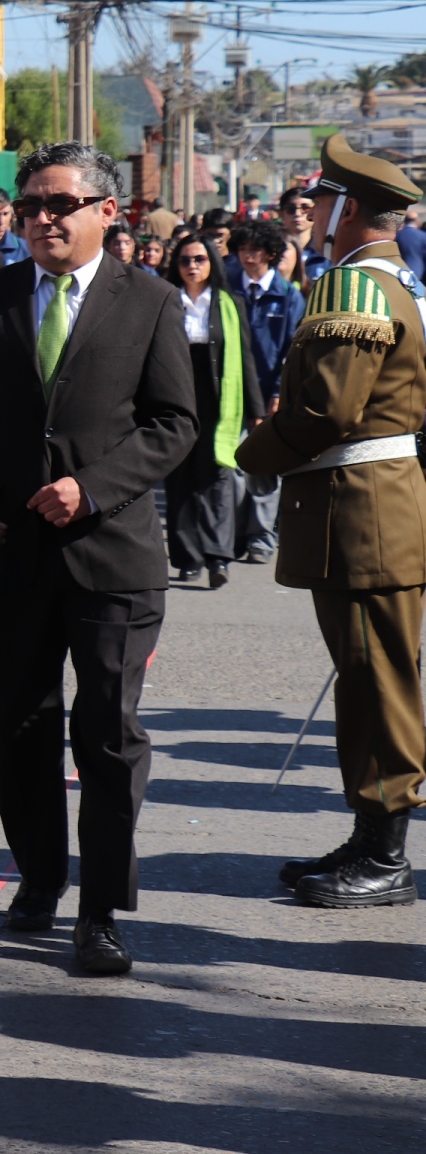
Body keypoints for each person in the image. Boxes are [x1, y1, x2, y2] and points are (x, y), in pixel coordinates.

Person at [0, 141, 196, 975]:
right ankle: (39, 879)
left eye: (60, 204)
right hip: (7, 554)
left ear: (105, 214)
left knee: (107, 735)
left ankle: (102, 908)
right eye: (32, 203)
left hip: (110, 557)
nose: (42, 218)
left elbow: (173, 424)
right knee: (20, 724)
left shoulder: (147, 302)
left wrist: (94, 487)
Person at [237, 136, 426, 909]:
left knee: (380, 683)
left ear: (349, 208)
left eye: (320, 200)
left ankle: (385, 856)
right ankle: (369, 833)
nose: (310, 212)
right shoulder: (381, 281)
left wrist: (256, 453)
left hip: (364, 511)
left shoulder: (358, 290)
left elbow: (328, 409)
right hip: (366, 506)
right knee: (364, 677)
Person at [161, 233, 263, 590]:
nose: (192, 266)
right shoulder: (165, 300)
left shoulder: (228, 302)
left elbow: (245, 357)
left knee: (218, 479)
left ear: (212, 263)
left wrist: (257, 408)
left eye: (199, 259)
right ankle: (188, 559)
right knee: (181, 481)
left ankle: (218, 557)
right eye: (185, 260)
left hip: (220, 402)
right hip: (176, 400)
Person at [229, 218, 302, 562]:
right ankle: (234, 535)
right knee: (231, 468)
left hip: (270, 392)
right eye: (243, 249)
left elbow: (292, 349)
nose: (248, 256)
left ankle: (260, 538)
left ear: (271, 254)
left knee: (265, 469)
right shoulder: (229, 286)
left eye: (255, 250)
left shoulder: (288, 295)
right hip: (232, 392)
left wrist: (278, 393)